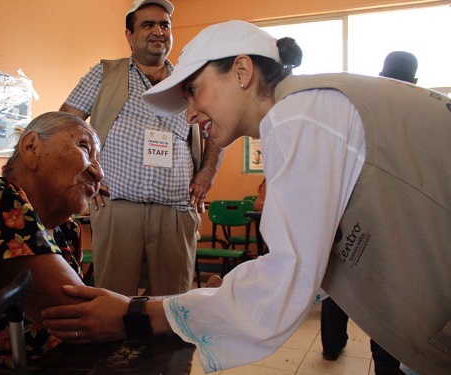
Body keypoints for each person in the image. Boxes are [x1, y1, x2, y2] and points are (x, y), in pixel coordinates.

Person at [40, 20, 451, 375]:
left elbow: (283, 287)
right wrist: (230, 289)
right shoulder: (310, 107)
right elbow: (315, 259)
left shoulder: (299, 116)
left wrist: (135, 314)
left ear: (241, 71)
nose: (190, 114)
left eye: (194, 91)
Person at [59, 0, 224, 296]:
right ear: (129, 35)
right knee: (113, 299)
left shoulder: (190, 82)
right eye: (148, 24)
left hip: (176, 209)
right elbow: (66, 125)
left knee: (173, 306)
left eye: (164, 25)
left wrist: (208, 172)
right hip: (118, 207)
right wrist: (82, 173)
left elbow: (217, 127)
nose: (158, 31)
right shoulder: (104, 73)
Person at [0, 111, 104, 367]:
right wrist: (161, 310)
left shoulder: (66, 227)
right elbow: (79, 316)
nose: (99, 172)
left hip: (55, 360)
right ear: (31, 147)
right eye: (84, 147)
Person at [320, 50, 419, 375]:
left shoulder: (361, 109)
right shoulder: (420, 111)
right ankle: (387, 365)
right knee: (386, 301)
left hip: (352, 215)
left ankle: (332, 346)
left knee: (340, 286)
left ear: (380, 73)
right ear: (415, 80)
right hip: (397, 223)